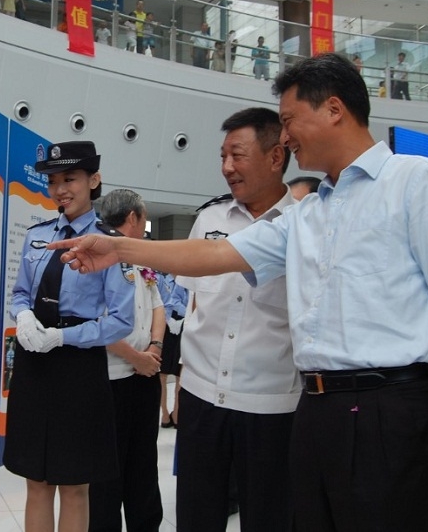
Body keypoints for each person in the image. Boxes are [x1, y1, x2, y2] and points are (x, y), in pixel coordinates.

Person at [53, 53, 428, 530]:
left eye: (289, 121)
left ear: (334, 109)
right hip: (315, 412)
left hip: (391, 409)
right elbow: (217, 254)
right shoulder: (307, 215)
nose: (285, 137)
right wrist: (119, 247)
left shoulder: (418, 182)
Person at [174, 107, 299, 532]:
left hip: (271, 405)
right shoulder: (210, 219)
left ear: (276, 156)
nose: (227, 167)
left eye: (238, 155)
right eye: (223, 156)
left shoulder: (303, 225)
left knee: (269, 518)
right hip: (202, 396)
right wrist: (184, 377)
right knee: (197, 515)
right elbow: (196, 304)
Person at [3, 140, 135, 532]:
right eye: (53, 181)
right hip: (34, 365)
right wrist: (23, 315)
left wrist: (65, 338)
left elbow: (122, 320)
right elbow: (20, 293)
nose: (60, 189)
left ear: (94, 180)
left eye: (70, 179)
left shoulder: (110, 243)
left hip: (79, 366)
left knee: (75, 486)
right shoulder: (37, 235)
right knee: (36, 481)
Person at [88, 189, 166, 532]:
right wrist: (136, 357)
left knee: (144, 461)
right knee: (107, 470)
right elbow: (92, 321)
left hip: (144, 376)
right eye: (144, 218)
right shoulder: (96, 254)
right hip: (110, 379)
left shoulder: (140, 256)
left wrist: (155, 347)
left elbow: (158, 305)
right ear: (134, 217)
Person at [158, 274, 186, 428]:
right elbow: (165, 302)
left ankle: (177, 413)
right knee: (162, 374)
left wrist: (187, 316)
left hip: (185, 327)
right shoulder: (161, 278)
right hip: (165, 326)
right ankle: (164, 414)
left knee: (180, 374)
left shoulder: (189, 278)